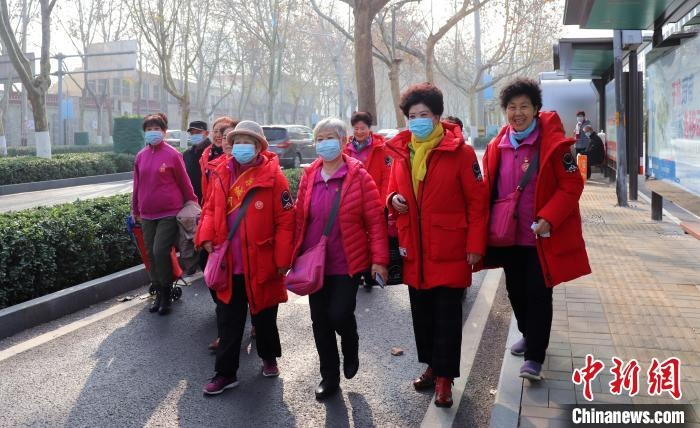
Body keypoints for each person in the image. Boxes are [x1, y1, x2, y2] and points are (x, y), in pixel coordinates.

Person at [386, 82, 488, 408]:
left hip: (450, 249)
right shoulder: (403, 151)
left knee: (446, 317)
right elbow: (389, 190)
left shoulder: (461, 152)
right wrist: (392, 199)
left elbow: (477, 203)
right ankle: (431, 366)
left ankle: (445, 379)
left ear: (437, 115)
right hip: (414, 250)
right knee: (423, 316)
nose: (417, 120)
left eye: (423, 114)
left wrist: (475, 246)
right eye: (412, 115)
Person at [482, 77, 591, 381]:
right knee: (515, 291)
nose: (518, 113)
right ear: (505, 111)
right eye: (512, 107)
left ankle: (534, 357)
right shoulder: (497, 145)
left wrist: (549, 217)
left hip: (541, 237)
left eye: (524, 106)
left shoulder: (554, 145)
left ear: (536, 109)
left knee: (539, 293)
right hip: (507, 236)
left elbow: (571, 184)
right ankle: (529, 335)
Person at [292, 117, 389, 400]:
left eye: (329, 137)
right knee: (320, 321)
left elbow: (375, 222)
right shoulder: (310, 174)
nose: (324, 143)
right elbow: (299, 218)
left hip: (347, 261)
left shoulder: (359, 176)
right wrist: (289, 256)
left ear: (344, 141)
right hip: (314, 263)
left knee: (339, 314)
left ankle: (351, 340)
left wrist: (379, 260)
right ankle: (329, 376)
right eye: (319, 138)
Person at [196, 120, 295, 395]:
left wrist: (282, 259)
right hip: (229, 262)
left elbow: (286, 221)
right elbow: (209, 209)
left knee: (264, 315)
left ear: (259, 146)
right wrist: (204, 237)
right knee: (228, 320)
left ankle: (268, 357)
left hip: (262, 261)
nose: (241, 147)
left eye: (247, 142)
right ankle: (225, 373)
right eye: (237, 141)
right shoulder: (220, 173)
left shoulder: (274, 177)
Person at [132, 112, 198, 315]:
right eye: (149, 129)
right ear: (145, 133)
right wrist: (135, 210)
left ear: (164, 132)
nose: (153, 133)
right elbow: (137, 185)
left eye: (156, 129)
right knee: (151, 254)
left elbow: (184, 182)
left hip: (169, 213)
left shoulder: (172, 154)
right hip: (147, 214)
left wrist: (192, 202)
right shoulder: (140, 156)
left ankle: (167, 294)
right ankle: (159, 293)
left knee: (161, 251)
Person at [343, 111, 392, 292]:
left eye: (362, 128)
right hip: (352, 202)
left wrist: (381, 202)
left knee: (374, 237)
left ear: (369, 128)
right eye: (356, 128)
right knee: (356, 238)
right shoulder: (346, 148)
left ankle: (371, 271)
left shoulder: (381, 148)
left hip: (374, 201)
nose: (359, 131)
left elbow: (388, 177)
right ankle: (360, 270)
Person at [200, 117, 238, 207]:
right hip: (210, 204)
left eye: (222, 133)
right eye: (216, 131)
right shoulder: (205, 155)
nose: (218, 135)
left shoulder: (237, 159)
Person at [182, 120, 211, 204]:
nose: (195, 135)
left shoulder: (213, 152)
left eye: (198, 132)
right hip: (191, 201)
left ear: (207, 133)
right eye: (192, 133)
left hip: (208, 199)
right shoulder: (187, 154)